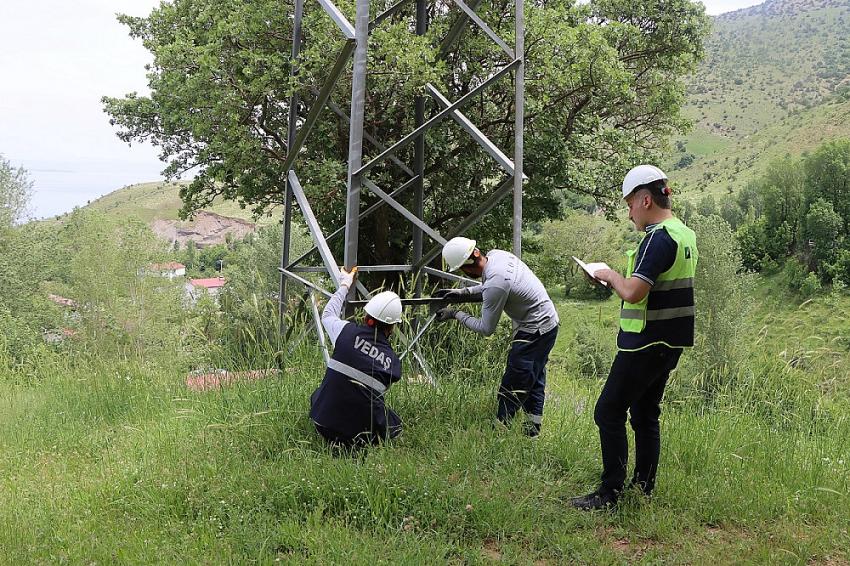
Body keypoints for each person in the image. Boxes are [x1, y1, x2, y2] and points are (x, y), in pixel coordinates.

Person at [570, 165, 698, 510]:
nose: (629, 214)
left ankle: (609, 494)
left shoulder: (659, 237)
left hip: (645, 342)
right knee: (644, 414)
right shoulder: (684, 234)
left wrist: (608, 274)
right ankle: (642, 488)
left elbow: (634, 293)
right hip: (670, 342)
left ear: (644, 200)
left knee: (608, 411)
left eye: (629, 205)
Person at [435, 237, 559, 436]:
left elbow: (486, 328)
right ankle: (532, 433)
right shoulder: (497, 255)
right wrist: (461, 293)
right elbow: (489, 287)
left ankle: (499, 431)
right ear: (476, 252)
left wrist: (455, 314)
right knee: (533, 379)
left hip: (535, 329)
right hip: (547, 323)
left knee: (515, 380)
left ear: (465, 269)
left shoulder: (496, 283)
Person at [309, 267, 404, 447]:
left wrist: (345, 284)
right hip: (360, 437)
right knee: (394, 422)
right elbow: (369, 400)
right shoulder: (393, 364)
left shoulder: (345, 331)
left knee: (320, 393)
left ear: (366, 315)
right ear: (392, 327)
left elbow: (328, 314)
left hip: (322, 423)